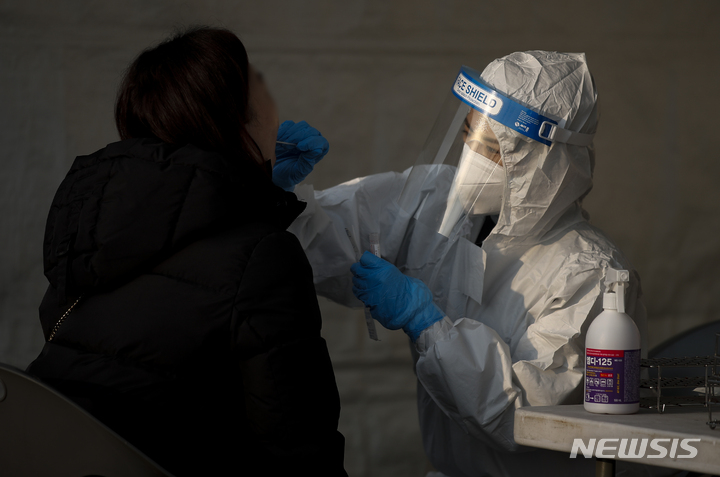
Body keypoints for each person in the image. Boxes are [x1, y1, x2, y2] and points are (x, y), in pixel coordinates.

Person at [285, 51, 655, 476]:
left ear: (546, 165)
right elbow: (328, 239)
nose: (470, 160)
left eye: (494, 149)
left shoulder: (589, 274)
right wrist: (270, 197)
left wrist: (429, 325)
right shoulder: (436, 201)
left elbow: (524, 416)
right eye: (468, 134)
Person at [27, 26, 347, 477]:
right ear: (239, 119)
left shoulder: (87, 225)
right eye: (260, 83)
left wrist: (258, 196)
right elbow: (298, 452)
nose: (276, 101)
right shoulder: (265, 256)